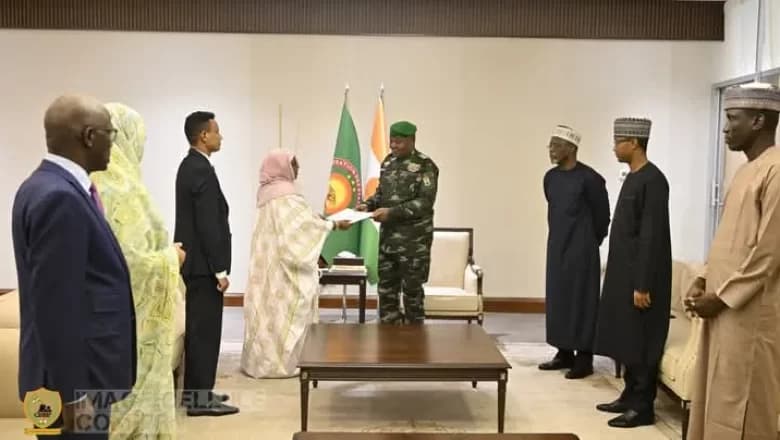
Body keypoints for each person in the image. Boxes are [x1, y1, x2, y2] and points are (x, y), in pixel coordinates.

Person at [12, 94, 136, 439]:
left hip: (65, 376)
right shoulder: (60, 198)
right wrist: (73, 395)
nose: (113, 144)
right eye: (110, 134)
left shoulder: (42, 185)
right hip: (72, 384)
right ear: (89, 136)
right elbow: (55, 305)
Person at [684, 83, 780, 440]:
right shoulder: (744, 172)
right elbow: (727, 237)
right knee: (716, 395)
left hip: (750, 314)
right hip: (722, 309)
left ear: (758, 120)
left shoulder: (776, 171)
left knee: (744, 404)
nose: (725, 128)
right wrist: (704, 278)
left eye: (732, 118)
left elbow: (768, 253)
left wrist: (722, 297)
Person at [90, 103, 184, 439]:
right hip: (127, 326)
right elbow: (129, 261)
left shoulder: (100, 182)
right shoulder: (119, 190)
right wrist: (172, 258)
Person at [241, 150, 352, 378]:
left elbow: (300, 223)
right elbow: (300, 230)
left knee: (267, 314)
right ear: (282, 167)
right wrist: (332, 225)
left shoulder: (266, 193)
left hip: (267, 266)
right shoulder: (287, 196)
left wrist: (320, 221)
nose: (298, 169)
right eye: (293, 164)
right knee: (285, 315)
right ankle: (284, 364)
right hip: (285, 271)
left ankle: (261, 361)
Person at [594, 117, 672, 428]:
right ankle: (628, 395)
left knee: (641, 340)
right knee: (626, 336)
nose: (614, 148)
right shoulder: (633, 177)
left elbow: (651, 236)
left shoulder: (654, 180)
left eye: (618, 142)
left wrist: (642, 284)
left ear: (635, 143)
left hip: (642, 279)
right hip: (624, 275)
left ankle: (642, 407)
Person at [174, 111, 238, 416]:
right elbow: (207, 224)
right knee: (204, 333)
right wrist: (219, 269)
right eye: (216, 131)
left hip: (198, 265)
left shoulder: (193, 165)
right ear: (203, 135)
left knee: (202, 331)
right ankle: (199, 400)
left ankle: (198, 393)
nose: (220, 136)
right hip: (203, 267)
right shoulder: (198, 168)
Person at [540, 125, 610, 379]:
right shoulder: (550, 178)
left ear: (571, 148)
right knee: (559, 299)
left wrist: (590, 242)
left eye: (556, 145)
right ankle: (564, 352)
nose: (551, 150)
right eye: (550, 145)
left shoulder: (590, 179)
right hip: (557, 247)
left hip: (582, 250)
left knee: (582, 302)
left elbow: (602, 217)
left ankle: (584, 358)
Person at [357, 121, 439, 325]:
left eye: (399, 142)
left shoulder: (425, 166)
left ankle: (415, 339)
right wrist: (367, 205)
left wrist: (391, 213)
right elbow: (381, 194)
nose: (393, 146)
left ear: (412, 140)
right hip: (388, 241)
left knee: (412, 294)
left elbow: (424, 203)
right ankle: (388, 337)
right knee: (386, 292)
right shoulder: (388, 163)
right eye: (391, 141)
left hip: (414, 243)